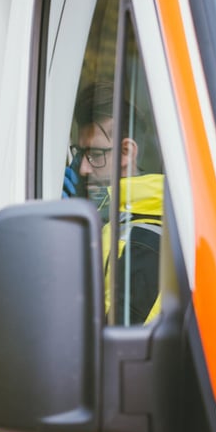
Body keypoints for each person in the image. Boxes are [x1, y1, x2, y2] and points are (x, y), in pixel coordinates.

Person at [63, 81, 164, 325]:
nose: (84, 168)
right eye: (80, 154)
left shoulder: (145, 238)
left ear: (127, 152)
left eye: (95, 155)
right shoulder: (111, 221)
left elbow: (107, 347)